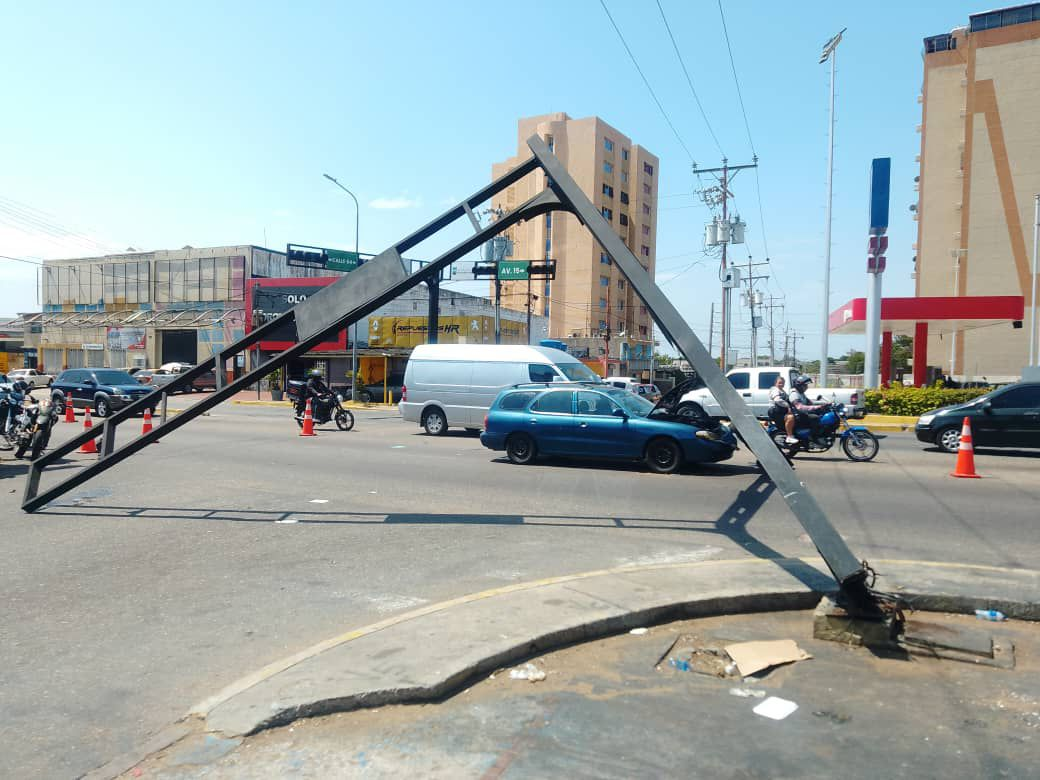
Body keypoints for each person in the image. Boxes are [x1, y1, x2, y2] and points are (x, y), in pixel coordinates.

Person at [789, 375, 829, 440]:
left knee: (821, 414)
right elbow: (800, 407)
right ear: (799, 386)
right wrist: (817, 407)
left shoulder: (801, 393)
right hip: (799, 416)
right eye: (805, 385)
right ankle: (813, 438)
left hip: (803, 414)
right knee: (815, 418)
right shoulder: (794, 394)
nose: (806, 387)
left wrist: (824, 404)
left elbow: (810, 402)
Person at [768, 375, 798, 446]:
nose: (781, 384)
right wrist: (788, 406)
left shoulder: (782, 391)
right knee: (790, 417)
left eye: (783, 383)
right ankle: (789, 436)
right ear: (775, 383)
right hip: (775, 411)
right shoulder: (775, 390)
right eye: (779, 383)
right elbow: (777, 400)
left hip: (780, 410)